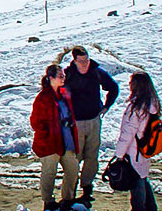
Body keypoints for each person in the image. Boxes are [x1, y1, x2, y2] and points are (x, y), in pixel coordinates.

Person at [64, 45, 118, 205]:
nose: (85, 63)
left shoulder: (96, 71)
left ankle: (87, 188)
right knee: (75, 158)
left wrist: (106, 106)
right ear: (74, 61)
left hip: (94, 119)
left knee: (92, 157)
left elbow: (113, 87)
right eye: (81, 61)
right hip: (76, 122)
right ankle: (70, 192)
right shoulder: (69, 75)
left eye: (86, 60)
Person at [31, 64, 80, 211]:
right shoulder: (43, 98)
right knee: (49, 172)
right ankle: (48, 201)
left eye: (63, 76)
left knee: (73, 169)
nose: (63, 78)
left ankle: (68, 198)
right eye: (60, 76)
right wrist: (47, 133)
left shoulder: (64, 94)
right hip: (50, 142)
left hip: (67, 140)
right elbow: (35, 121)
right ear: (51, 78)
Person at [115, 71, 160, 211]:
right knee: (143, 177)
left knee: (136, 184)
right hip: (145, 150)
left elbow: (128, 134)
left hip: (134, 152)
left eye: (131, 82)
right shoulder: (152, 105)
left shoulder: (136, 108)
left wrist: (119, 155)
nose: (129, 85)